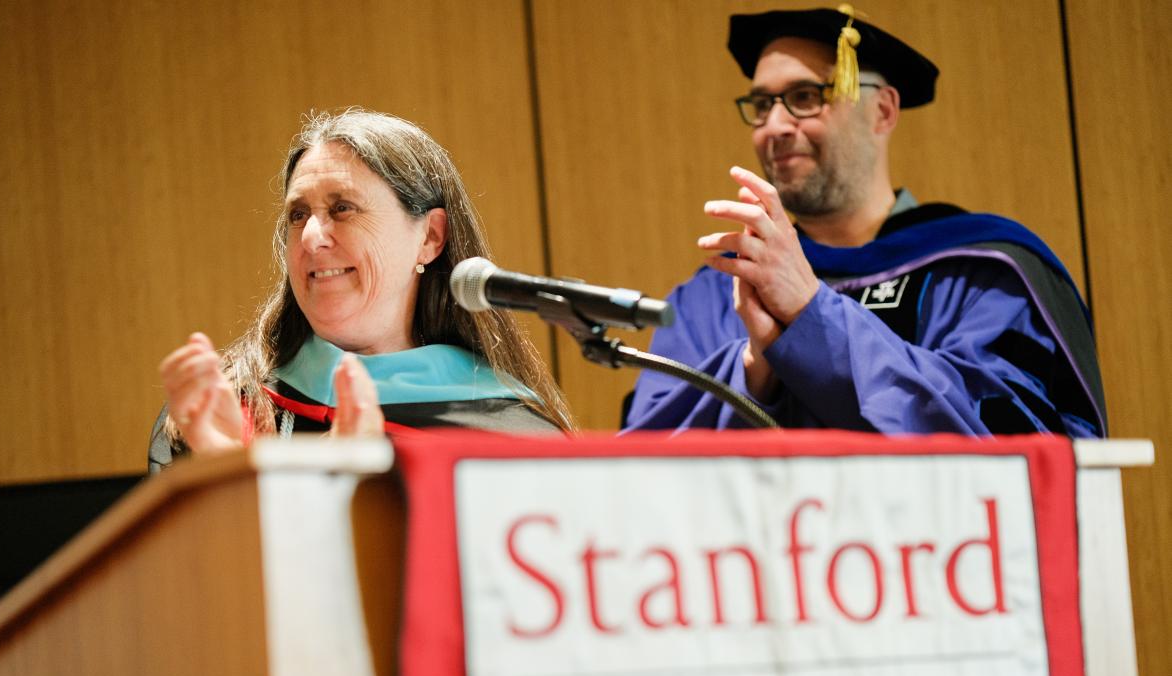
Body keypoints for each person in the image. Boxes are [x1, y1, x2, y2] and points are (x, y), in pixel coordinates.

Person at [623, 6, 1106, 437]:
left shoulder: (983, 273)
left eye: (806, 96)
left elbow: (1009, 444)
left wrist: (812, 317)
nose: (774, 126)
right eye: (762, 104)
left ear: (883, 110)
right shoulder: (716, 292)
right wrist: (753, 367)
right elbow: (649, 463)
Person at [151, 109, 573, 471]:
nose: (311, 237)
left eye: (342, 208)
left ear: (430, 236)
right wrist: (226, 474)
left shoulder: (518, 438)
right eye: (298, 215)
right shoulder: (226, 412)